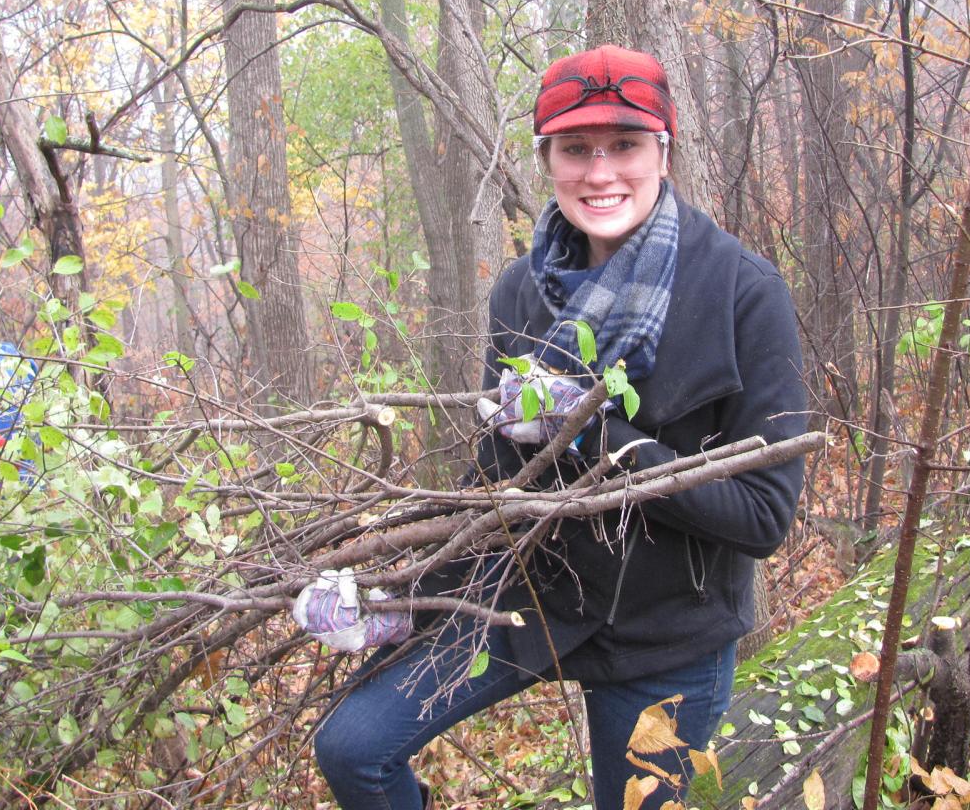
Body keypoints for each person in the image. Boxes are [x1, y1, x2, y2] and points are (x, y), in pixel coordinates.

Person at [312, 45, 806, 809]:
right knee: (352, 748)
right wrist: (399, 597)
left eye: (625, 145)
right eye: (575, 149)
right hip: (532, 599)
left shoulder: (743, 292)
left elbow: (764, 518)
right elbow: (491, 487)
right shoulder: (520, 291)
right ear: (547, 159)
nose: (600, 172)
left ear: (663, 150)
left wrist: (589, 434)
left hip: (667, 637)